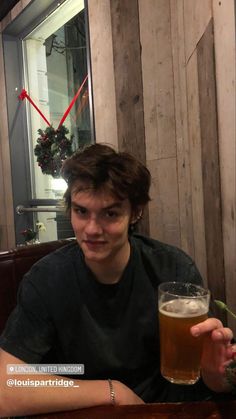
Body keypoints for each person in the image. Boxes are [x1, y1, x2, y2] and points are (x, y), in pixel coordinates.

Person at [0, 144, 234, 416]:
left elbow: (211, 380)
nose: (92, 229)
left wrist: (216, 374)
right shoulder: (47, 279)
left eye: (110, 214)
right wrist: (113, 392)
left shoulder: (172, 269)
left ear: (135, 213)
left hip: (163, 411)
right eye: (81, 211)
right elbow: (6, 385)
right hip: (88, 410)